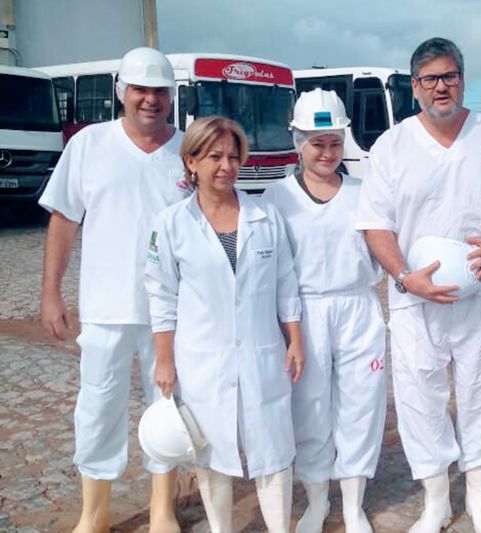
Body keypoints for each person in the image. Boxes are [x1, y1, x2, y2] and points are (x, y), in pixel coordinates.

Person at [355, 37, 481, 533]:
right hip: (416, 298)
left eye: (450, 75)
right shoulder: (392, 147)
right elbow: (375, 222)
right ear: (415, 87)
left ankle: (478, 496)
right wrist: (403, 276)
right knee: (420, 396)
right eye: (431, 79)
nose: (442, 86)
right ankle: (436, 498)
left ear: (463, 78)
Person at [39, 46, 186, 533]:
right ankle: (94, 513)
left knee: (168, 408)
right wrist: (50, 293)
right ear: (122, 93)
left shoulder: (188, 149)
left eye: (159, 91)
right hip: (106, 305)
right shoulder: (88, 145)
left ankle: (163, 508)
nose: (150, 100)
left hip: (174, 312)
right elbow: (63, 219)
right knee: (98, 407)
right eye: (140, 90)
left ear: (171, 96)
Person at [143, 116, 303, 533]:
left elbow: (286, 282)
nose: (226, 166)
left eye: (234, 156)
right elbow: (161, 296)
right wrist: (164, 359)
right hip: (201, 358)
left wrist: (295, 339)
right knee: (212, 455)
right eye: (214, 156)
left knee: (273, 449)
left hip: (262, 352)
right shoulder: (171, 224)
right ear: (191, 162)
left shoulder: (265, 216)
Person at [263, 88, 386, 533]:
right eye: (317, 143)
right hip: (304, 313)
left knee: (361, 404)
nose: (327, 152)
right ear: (298, 141)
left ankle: (353, 502)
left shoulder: (364, 192)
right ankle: (316, 498)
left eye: (335, 142)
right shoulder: (276, 199)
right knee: (309, 406)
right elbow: (272, 270)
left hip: (357, 306)